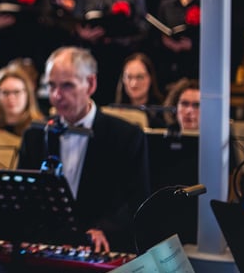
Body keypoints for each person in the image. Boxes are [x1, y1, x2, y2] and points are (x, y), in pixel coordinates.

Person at [18, 47, 150, 254]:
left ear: (91, 84)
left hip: (100, 250)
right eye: (51, 86)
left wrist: (103, 229)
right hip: (47, 249)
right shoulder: (34, 135)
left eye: (67, 86)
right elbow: (25, 198)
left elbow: (137, 201)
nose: (56, 95)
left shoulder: (126, 135)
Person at [74, 0, 147, 105]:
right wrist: (84, 34)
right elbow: (75, 23)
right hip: (93, 55)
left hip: (122, 55)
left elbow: (143, 28)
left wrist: (120, 37)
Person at [153, 0, 201, 87]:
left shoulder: (206, 5)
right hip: (171, 66)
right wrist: (167, 42)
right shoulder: (166, 4)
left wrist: (192, 45)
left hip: (196, 66)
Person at [113, 53, 167, 128]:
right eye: (129, 77)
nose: (133, 84)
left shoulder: (164, 113)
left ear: (150, 78)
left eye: (140, 77)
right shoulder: (114, 113)